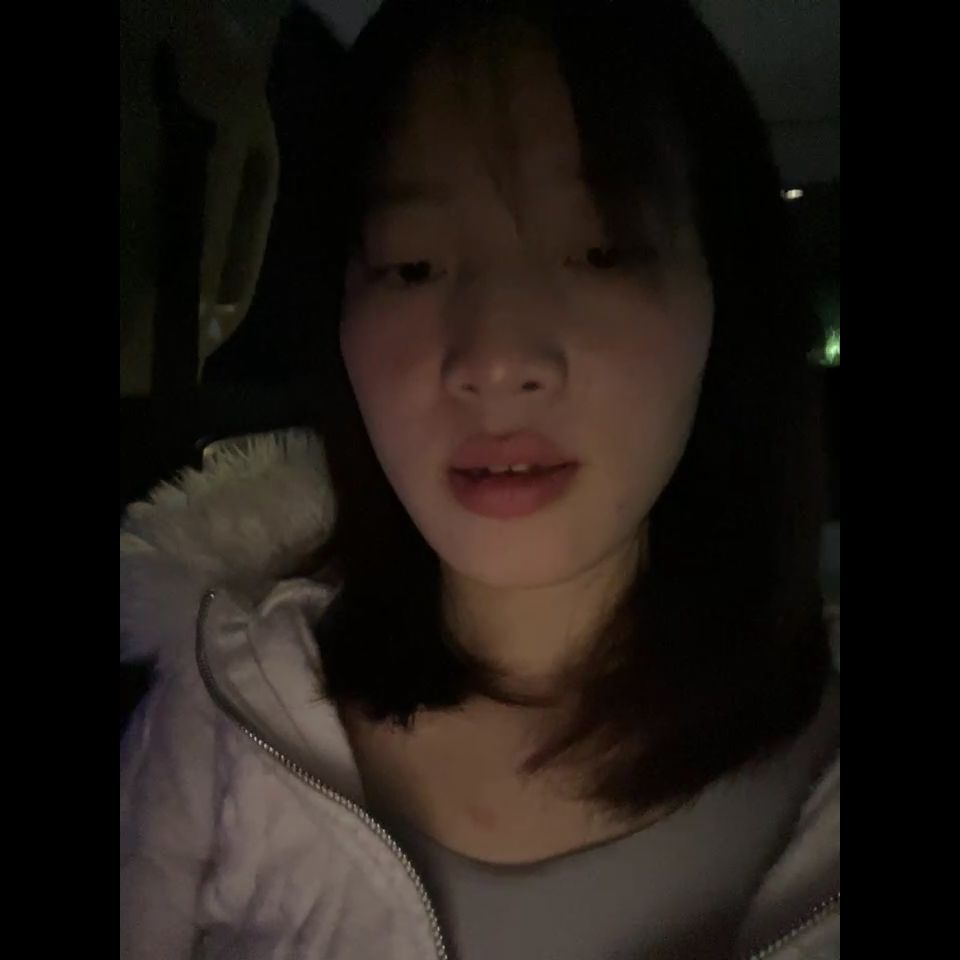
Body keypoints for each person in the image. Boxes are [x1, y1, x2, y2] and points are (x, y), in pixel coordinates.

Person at [120, 2, 839, 958]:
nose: (495, 360)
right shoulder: (224, 715)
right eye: (412, 267)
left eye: (600, 251)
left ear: (724, 294)